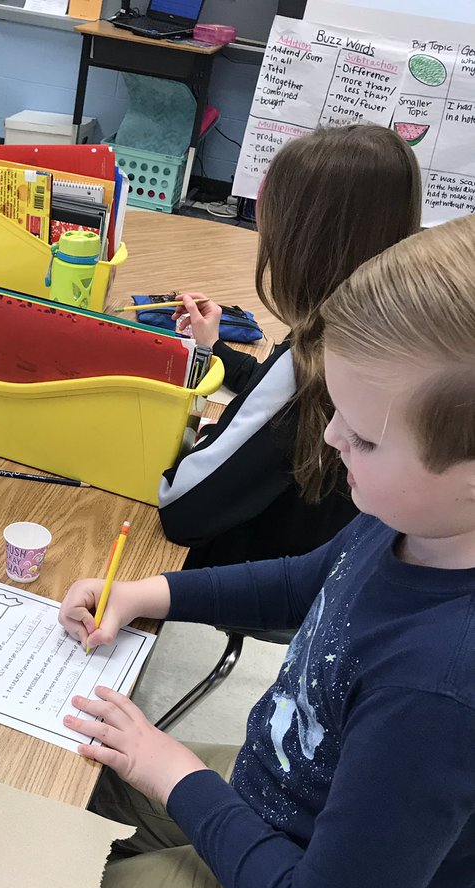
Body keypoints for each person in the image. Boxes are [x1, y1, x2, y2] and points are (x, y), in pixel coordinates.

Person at [5, 214, 475, 888]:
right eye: (336, 407)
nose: (333, 438)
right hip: (288, 812)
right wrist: (149, 592)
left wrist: (170, 770)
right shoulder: (416, 518)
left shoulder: (441, 689)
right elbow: (309, 581)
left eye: (366, 437)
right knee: (73, 792)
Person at [159, 124, 422, 568]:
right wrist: (215, 347)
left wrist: (204, 442)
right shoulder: (386, 329)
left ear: (300, 244)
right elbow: (274, 397)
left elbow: (181, 509)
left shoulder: (315, 361)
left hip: (269, 571)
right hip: (338, 565)